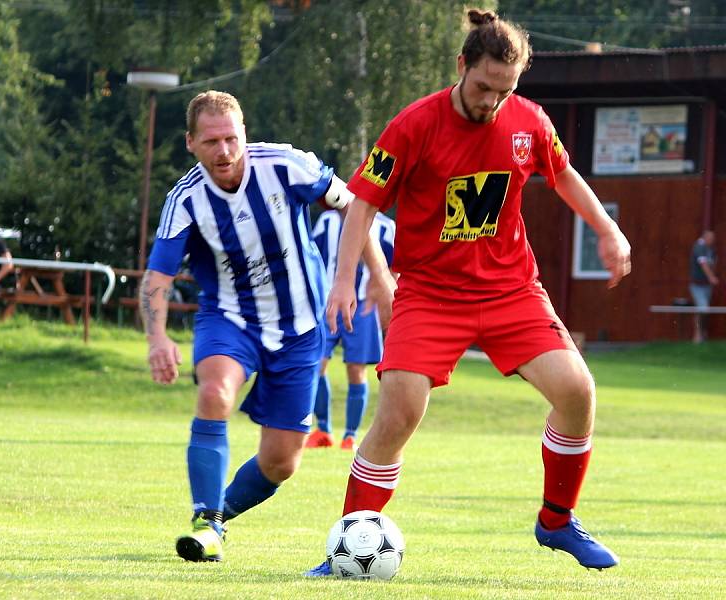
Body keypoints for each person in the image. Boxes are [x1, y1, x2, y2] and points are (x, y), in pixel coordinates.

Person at [306, 8, 632, 576]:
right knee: (399, 413)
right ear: (462, 66)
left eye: (505, 91)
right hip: (430, 295)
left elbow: (561, 175)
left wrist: (607, 228)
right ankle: (344, 550)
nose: (491, 102)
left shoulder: (528, 121)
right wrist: (343, 280)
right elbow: (362, 201)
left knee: (577, 391)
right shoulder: (414, 124)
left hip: (511, 291)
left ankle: (556, 521)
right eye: (483, 87)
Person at [140, 90, 394, 563]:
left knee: (281, 462)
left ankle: (219, 516)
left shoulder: (286, 166)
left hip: (301, 328)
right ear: (191, 143)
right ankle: (205, 520)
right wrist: (157, 338)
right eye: (211, 141)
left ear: (244, 135)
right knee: (214, 392)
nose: (224, 151)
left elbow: (353, 204)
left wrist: (377, 276)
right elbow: (157, 277)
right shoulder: (185, 201)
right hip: (230, 320)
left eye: (231, 138)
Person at [305, 210, 395, 451]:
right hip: (327, 304)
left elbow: (394, 269)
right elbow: (312, 255)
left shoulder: (386, 227)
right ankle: (323, 429)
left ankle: (350, 436)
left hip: (363, 307)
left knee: (356, 371)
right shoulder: (328, 220)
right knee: (316, 364)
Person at [689, 230, 718, 343]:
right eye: (711, 238)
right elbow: (704, 265)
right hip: (697, 285)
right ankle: (697, 336)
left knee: (703, 310)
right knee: (703, 308)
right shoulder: (699, 247)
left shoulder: (710, 249)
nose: (712, 241)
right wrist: (711, 277)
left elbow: (713, 263)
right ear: (706, 237)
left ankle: (701, 334)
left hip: (706, 286)